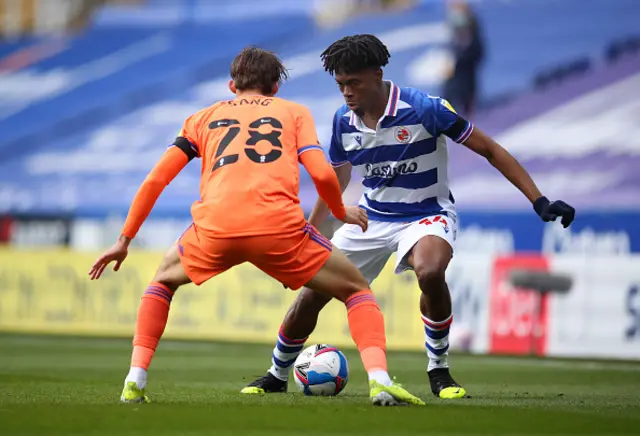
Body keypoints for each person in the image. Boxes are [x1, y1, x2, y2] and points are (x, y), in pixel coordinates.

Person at [242, 35, 575, 399]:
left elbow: (491, 150)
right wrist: (312, 228)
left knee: (430, 272)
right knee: (312, 296)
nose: (347, 93)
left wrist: (538, 199)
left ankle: (439, 370)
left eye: (354, 83)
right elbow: (336, 178)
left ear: (378, 74)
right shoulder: (343, 121)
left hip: (426, 215)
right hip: (370, 218)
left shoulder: (424, 109)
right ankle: (276, 374)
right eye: (340, 85)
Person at [88, 46, 424, 407]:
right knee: (357, 291)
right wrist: (339, 210)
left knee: (161, 282)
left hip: (216, 227)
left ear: (232, 85)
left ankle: (135, 380)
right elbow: (322, 172)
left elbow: (155, 179)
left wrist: (124, 240)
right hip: (278, 227)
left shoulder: (202, 118)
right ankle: (380, 381)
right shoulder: (294, 113)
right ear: (276, 86)